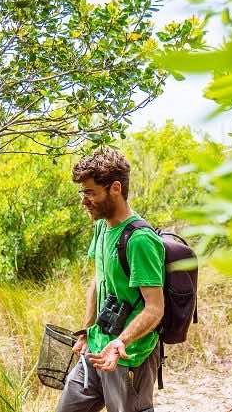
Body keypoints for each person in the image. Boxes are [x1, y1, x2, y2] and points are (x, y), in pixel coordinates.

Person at [56, 147, 165, 412]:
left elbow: (155, 308)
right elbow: (98, 281)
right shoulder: (103, 227)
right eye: (83, 193)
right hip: (95, 349)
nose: (84, 201)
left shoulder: (140, 240)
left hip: (128, 356)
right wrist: (86, 330)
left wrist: (121, 343)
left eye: (90, 192)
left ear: (115, 188)